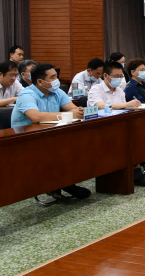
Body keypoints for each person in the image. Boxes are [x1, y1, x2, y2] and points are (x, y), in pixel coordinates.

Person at [11, 63, 89, 200]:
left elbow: (73, 109)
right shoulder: (27, 94)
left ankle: (63, 183)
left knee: (79, 145)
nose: (56, 81)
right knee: (61, 150)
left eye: (56, 77)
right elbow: (35, 117)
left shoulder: (57, 92)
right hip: (26, 139)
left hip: (50, 135)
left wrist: (78, 111)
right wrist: (69, 115)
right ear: (40, 81)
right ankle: (61, 184)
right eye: (53, 77)